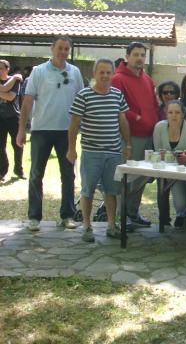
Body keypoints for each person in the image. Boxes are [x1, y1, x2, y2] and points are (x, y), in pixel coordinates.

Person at [17, 36, 84, 232]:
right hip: (41, 130)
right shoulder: (38, 71)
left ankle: (68, 215)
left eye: (66, 49)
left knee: (68, 175)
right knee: (36, 175)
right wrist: (21, 130)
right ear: (52, 48)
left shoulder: (75, 72)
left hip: (67, 131)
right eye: (60, 48)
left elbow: (82, 101)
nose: (63, 52)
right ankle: (34, 217)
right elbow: (27, 102)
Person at [67, 58, 131, 242]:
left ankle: (111, 226)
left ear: (113, 74)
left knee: (111, 191)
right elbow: (74, 124)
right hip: (91, 153)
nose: (105, 76)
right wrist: (71, 149)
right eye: (101, 72)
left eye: (108, 72)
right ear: (94, 74)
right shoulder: (84, 95)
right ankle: (87, 226)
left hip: (113, 153)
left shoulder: (117, 95)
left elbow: (123, 121)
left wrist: (127, 144)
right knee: (88, 191)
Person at [111, 42, 161, 228]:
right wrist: (138, 118)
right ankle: (121, 217)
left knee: (142, 177)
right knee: (127, 178)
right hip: (130, 137)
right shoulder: (117, 79)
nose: (140, 58)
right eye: (136, 54)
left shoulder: (147, 79)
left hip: (149, 136)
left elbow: (154, 105)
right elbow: (117, 107)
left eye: (142, 55)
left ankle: (132, 213)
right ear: (127, 56)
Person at [153, 100, 186, 228]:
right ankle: (183, 216)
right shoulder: (159, 128)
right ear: (166, 114)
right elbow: (158, 152)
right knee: (180, 203)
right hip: (173, 172)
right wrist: (165, 155)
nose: (174, 115)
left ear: (183, 114)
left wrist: (174, 155)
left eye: (177, 112)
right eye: (170, 112)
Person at [0, 60, 25, 180]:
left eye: (1, 68)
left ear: (7, 69)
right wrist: (14, 78)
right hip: (0, 119)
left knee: (18, 144)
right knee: (0, 146)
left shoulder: (16, 81)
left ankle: (18, 170)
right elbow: (4, 89)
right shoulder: (15, 79)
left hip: (13, 117)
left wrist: (14, 79)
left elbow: (10, 96)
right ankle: (2, 171)